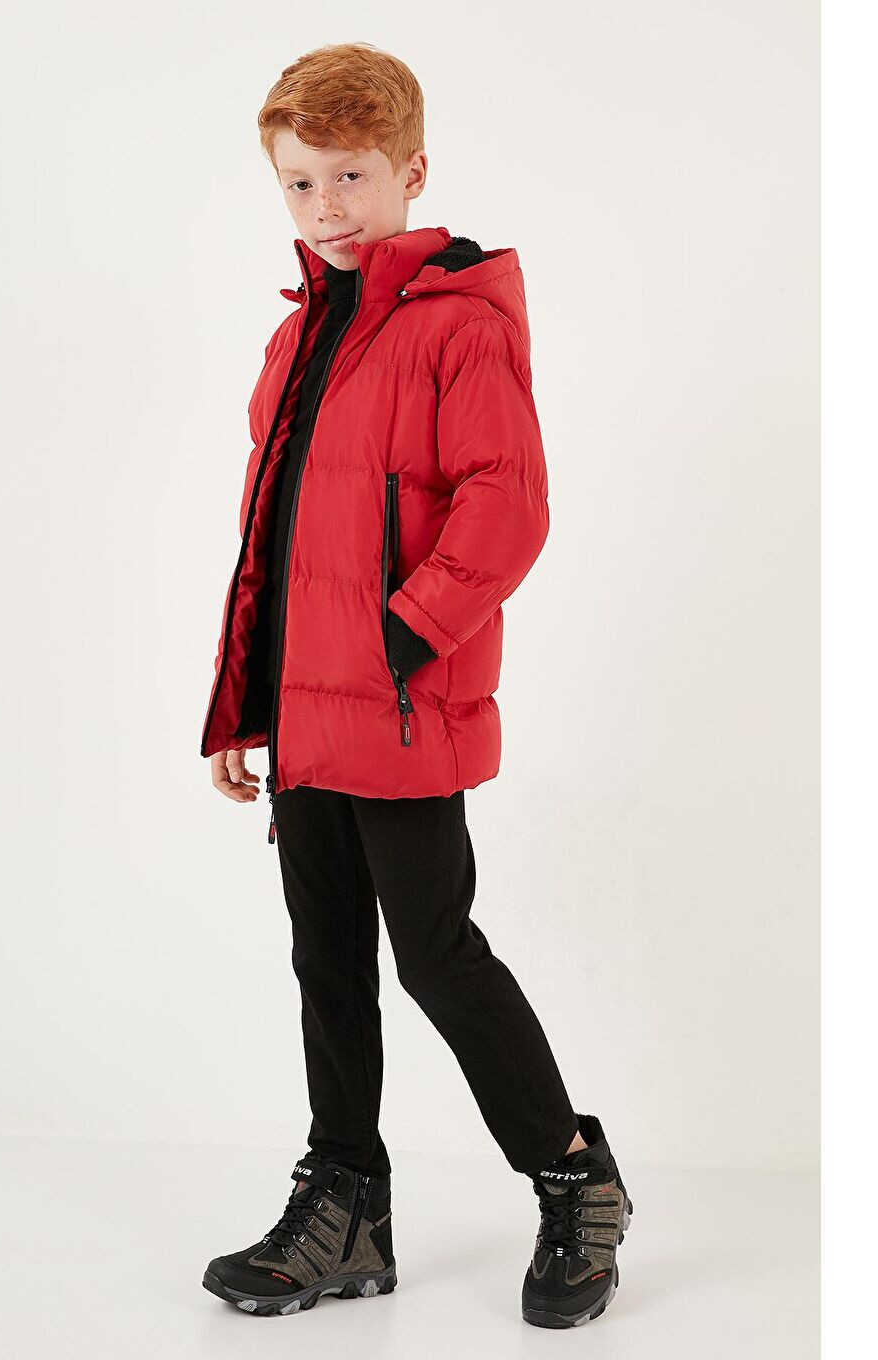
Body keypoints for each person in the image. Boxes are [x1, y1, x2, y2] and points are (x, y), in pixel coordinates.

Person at [198, 41, 632, 1328]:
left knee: (436, 953)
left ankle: (575, 1180)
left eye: (351, 175)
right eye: (299, 183)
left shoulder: (457, 327)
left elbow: (509, 506)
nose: (326, 206)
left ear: (412, 172)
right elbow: (272, 538)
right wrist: (244, 702)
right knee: (326, 958)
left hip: (398, 703)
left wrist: (405, 633)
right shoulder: (296, 339)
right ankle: (346, 1208)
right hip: (308, 713)